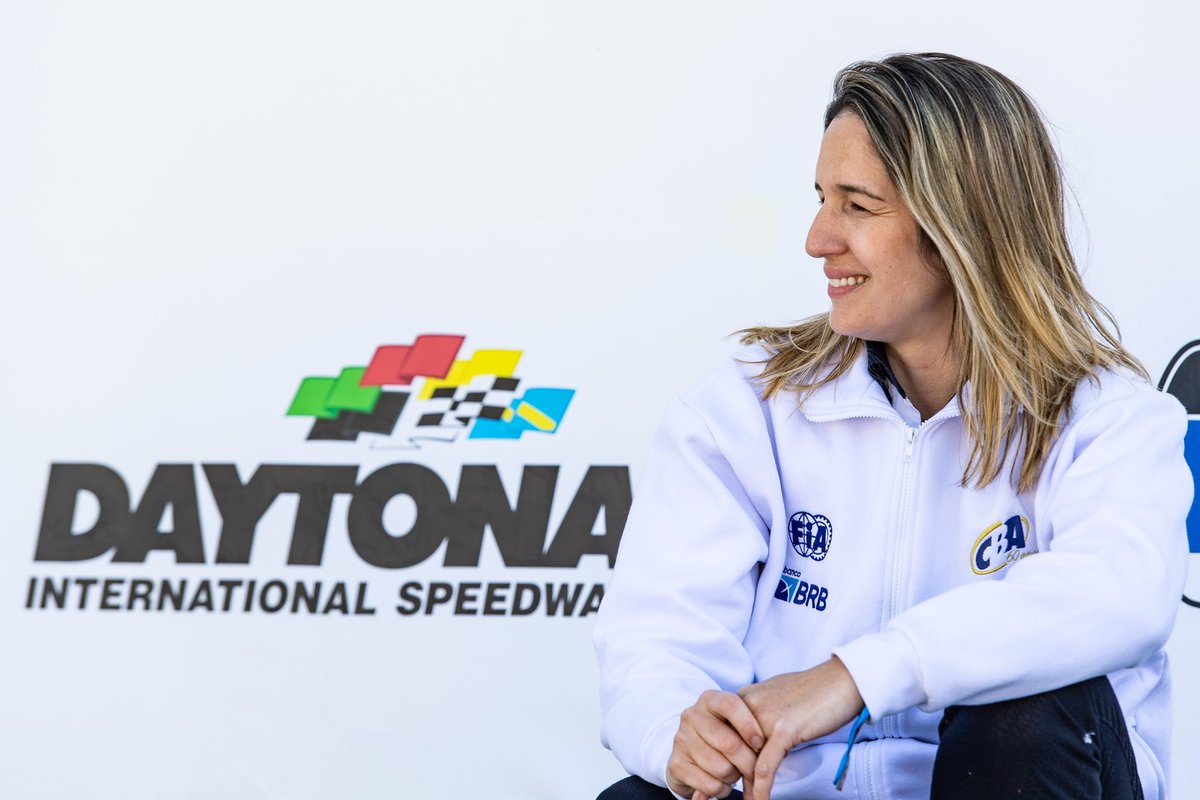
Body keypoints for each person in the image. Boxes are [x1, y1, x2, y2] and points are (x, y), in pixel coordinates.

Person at [593, 53, 1192, 800]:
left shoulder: (1108, 419)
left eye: (857, 205)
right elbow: (656, 639)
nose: (818, 238)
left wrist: (856, 677)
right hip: (797, 789)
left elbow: (1120, 594)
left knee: (1029, 714)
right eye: (821, 198)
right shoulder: (751, 405)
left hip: (1009, 781)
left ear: (961, 227)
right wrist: (681, 733)